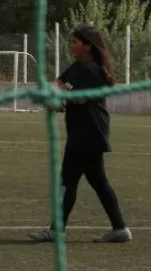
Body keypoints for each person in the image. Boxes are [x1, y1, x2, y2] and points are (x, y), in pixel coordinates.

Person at [29, 26, 131, 244]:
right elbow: (59, 89)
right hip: (79, 130)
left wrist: (59, 96)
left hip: (89, 131)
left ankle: (56, 230)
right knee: (98, 181)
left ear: (88, 46)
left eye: (75, 42)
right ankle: (120, 228)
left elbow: (77, 97)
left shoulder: (94, 71)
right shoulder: (76, 67)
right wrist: (51, 98)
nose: (71, 45)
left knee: (68, 180)